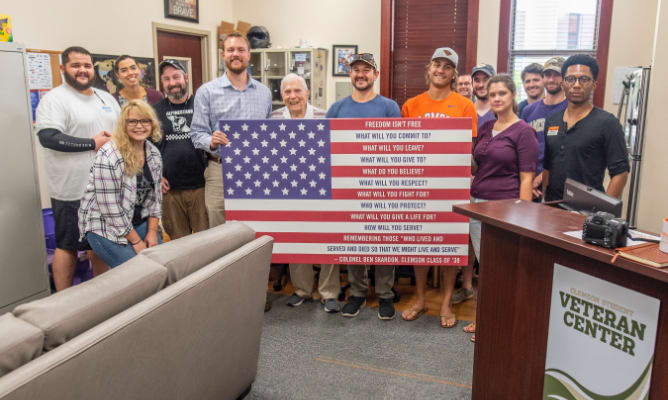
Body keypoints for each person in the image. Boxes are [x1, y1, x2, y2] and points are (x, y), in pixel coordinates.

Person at [400, 47, 477, 328]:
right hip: (419, 185)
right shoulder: (411, 105)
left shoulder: (464, 105)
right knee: (420, 245)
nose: (441, 70)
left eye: (447, 66)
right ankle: (420, 299)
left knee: (448, 247)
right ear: (429, 68)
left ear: (454, 73)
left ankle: (445, 302)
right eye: (437, 64)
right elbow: (404, 148)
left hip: (450, 186)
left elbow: (467, 150)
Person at [35, 45, 120, 291]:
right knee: (68, 245)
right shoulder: (55, 99)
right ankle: (64, 301)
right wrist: (92, 143)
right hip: (72, 190)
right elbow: (48, 137)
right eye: (76, 65)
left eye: (86, 65)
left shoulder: (106, 98)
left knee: (101, 243)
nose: (82, 70)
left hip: (107, 187)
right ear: (63, 68)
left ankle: (101, 294)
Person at [326, 53, 401, 320]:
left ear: (375, 75)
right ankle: (357, 293)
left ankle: (385, 294)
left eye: (366, 70)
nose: (360, 74)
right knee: (352, 240)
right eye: (356, 69)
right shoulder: (336, 109)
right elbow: (327, 148)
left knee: (383, 241)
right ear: (350, 74)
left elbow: (396, 149)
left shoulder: (389, 107)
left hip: (381, 185)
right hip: (347, 188)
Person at [467, 74, 539, 341]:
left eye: (502, 93)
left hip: (505, 209)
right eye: (492, 93)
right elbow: (478, 166)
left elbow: (527, 178)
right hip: (477, 206)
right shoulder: (485, 128)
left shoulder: (524, 132)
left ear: (512, 96)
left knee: (504, 270)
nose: (496, 98)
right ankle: (485, 317)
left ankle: (502, 323)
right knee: (485, 268)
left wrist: (522, 218)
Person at [270, 73, 340, 312]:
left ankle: (329, 292)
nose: (292, 96)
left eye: (297, 91)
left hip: (321, 186)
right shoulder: (273, 118)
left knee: (328, 237)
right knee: (295, 236)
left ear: (307, 92)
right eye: (287, 92)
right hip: (288, 189)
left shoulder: (324, 116)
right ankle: (301, 289)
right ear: (282, 95)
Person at [191, 31, 272, 228]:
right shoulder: (206, 92)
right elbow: (196, 133)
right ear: (223, 55)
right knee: (219, 225)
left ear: (249, 54)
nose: (236, 54)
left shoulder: (264, 93)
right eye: (231, 50)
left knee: (255, 224)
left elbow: (269, 133)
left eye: (241, 50)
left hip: (256, 169)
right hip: (220, 168)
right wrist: (210, 140)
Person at [78, 100, 163, 268]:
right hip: (104, 226)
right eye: (132, 121)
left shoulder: (153, 153)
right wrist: (137, 242)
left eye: (145, 120)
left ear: (152, 125)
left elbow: (156, 198)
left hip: (138, 221)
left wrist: (152, 233)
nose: (139, 126)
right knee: (138, 271)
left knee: (160, 264)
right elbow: (110, 208)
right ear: (123, 125)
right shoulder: (109, 154)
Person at [543, 55, 629, 202]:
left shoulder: (607, 123)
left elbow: (620, 173)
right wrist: (545, 200)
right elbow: (547, 166)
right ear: (563, 84)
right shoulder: (552, 121)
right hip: (552, 206)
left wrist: (602, 212)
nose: (576, 85)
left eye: (583, 79)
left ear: (594, 84)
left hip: (587, 209)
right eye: (570, 79)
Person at [152, 59, 208, 240]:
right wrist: (155, 175)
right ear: (163, 83)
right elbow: (144, 148)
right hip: (170, 190)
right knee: (178, 244)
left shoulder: (202, 106)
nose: (172, 83)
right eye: (167, 79)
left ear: (186, 77)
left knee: (206, 241)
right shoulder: (154, 111)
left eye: (176, 77)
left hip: (201, 187)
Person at [520, 57, 568, 200]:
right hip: (528, 181)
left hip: (556, 184)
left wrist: (541, 178)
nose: (551, 79)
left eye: (556, 75)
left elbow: (566, 152)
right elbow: (521, 147)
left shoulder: (570, 109)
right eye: (548, 75)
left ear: (564, 78)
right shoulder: (528, 110)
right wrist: (526, 180)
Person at [471, 63, 496, 129]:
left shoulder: (501, 112)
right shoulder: (465, 112)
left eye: (486, 80)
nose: (481, 85)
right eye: (477, 80)